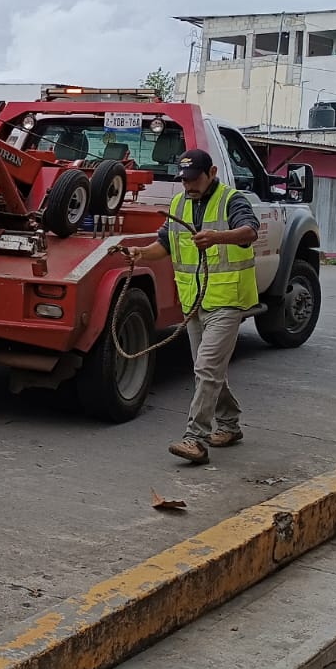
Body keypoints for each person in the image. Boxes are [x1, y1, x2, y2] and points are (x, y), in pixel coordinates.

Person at [125, 149, 259, 465]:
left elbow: (249, 232)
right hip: (195, 302)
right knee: (208, 370)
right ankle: (229, 424)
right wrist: (141, 253)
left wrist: (218, 237)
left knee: (206, 368)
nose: (189, 186)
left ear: (211, 172)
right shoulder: (179, 204)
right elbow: (165, 245)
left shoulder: (232, 200)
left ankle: (195, 439)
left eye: (194, 179)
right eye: (184, 180)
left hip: (228, 300)